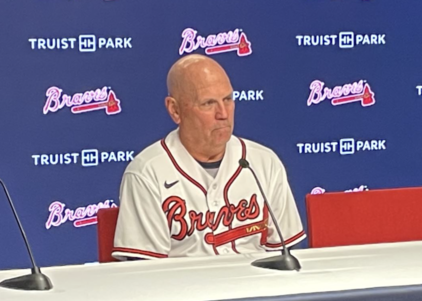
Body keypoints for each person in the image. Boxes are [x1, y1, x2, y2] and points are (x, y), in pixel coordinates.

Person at [112, 55, 305, 259]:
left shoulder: (263, 162)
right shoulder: (147, 173)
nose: (223, 113)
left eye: (228, 100)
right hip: (184, 288)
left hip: (255, 285)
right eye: (208, 103)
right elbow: (144, 270)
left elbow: (285, 254)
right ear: (175, 110)